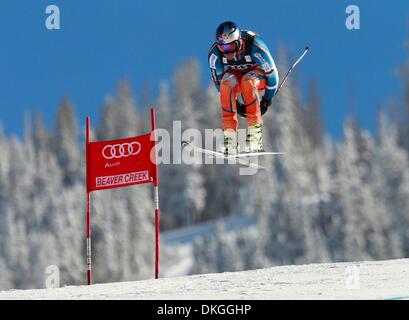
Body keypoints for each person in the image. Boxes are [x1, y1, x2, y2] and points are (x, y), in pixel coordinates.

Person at [208, 21, 279, 155]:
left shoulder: (255, 46)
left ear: (239, 41)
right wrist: (235, 103)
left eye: (231, 47)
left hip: (256, 72)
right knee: (225, 85)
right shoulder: (215, 55)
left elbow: (272, 75)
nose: (227, 53)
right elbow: (218, 83)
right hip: (235, 75)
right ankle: (230, 139)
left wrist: (267, 100)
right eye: (223, 49)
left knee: (248, 81)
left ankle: (254, 137)